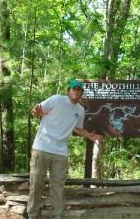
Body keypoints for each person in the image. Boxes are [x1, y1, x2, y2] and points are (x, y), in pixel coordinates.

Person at [27, 79, 102, 219]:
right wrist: (36, 112)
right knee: (36, 184)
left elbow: (78, 129)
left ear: (81, 93)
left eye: (79, 89)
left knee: (58, 186)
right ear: (68, 91)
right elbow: (37, 111)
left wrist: (89, 135)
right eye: (73, 88)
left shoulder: (80, 110)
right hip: (42, 147)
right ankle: (32, 215)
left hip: (60, 152)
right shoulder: (56, 100)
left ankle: (58, 215)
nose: (76, 91)